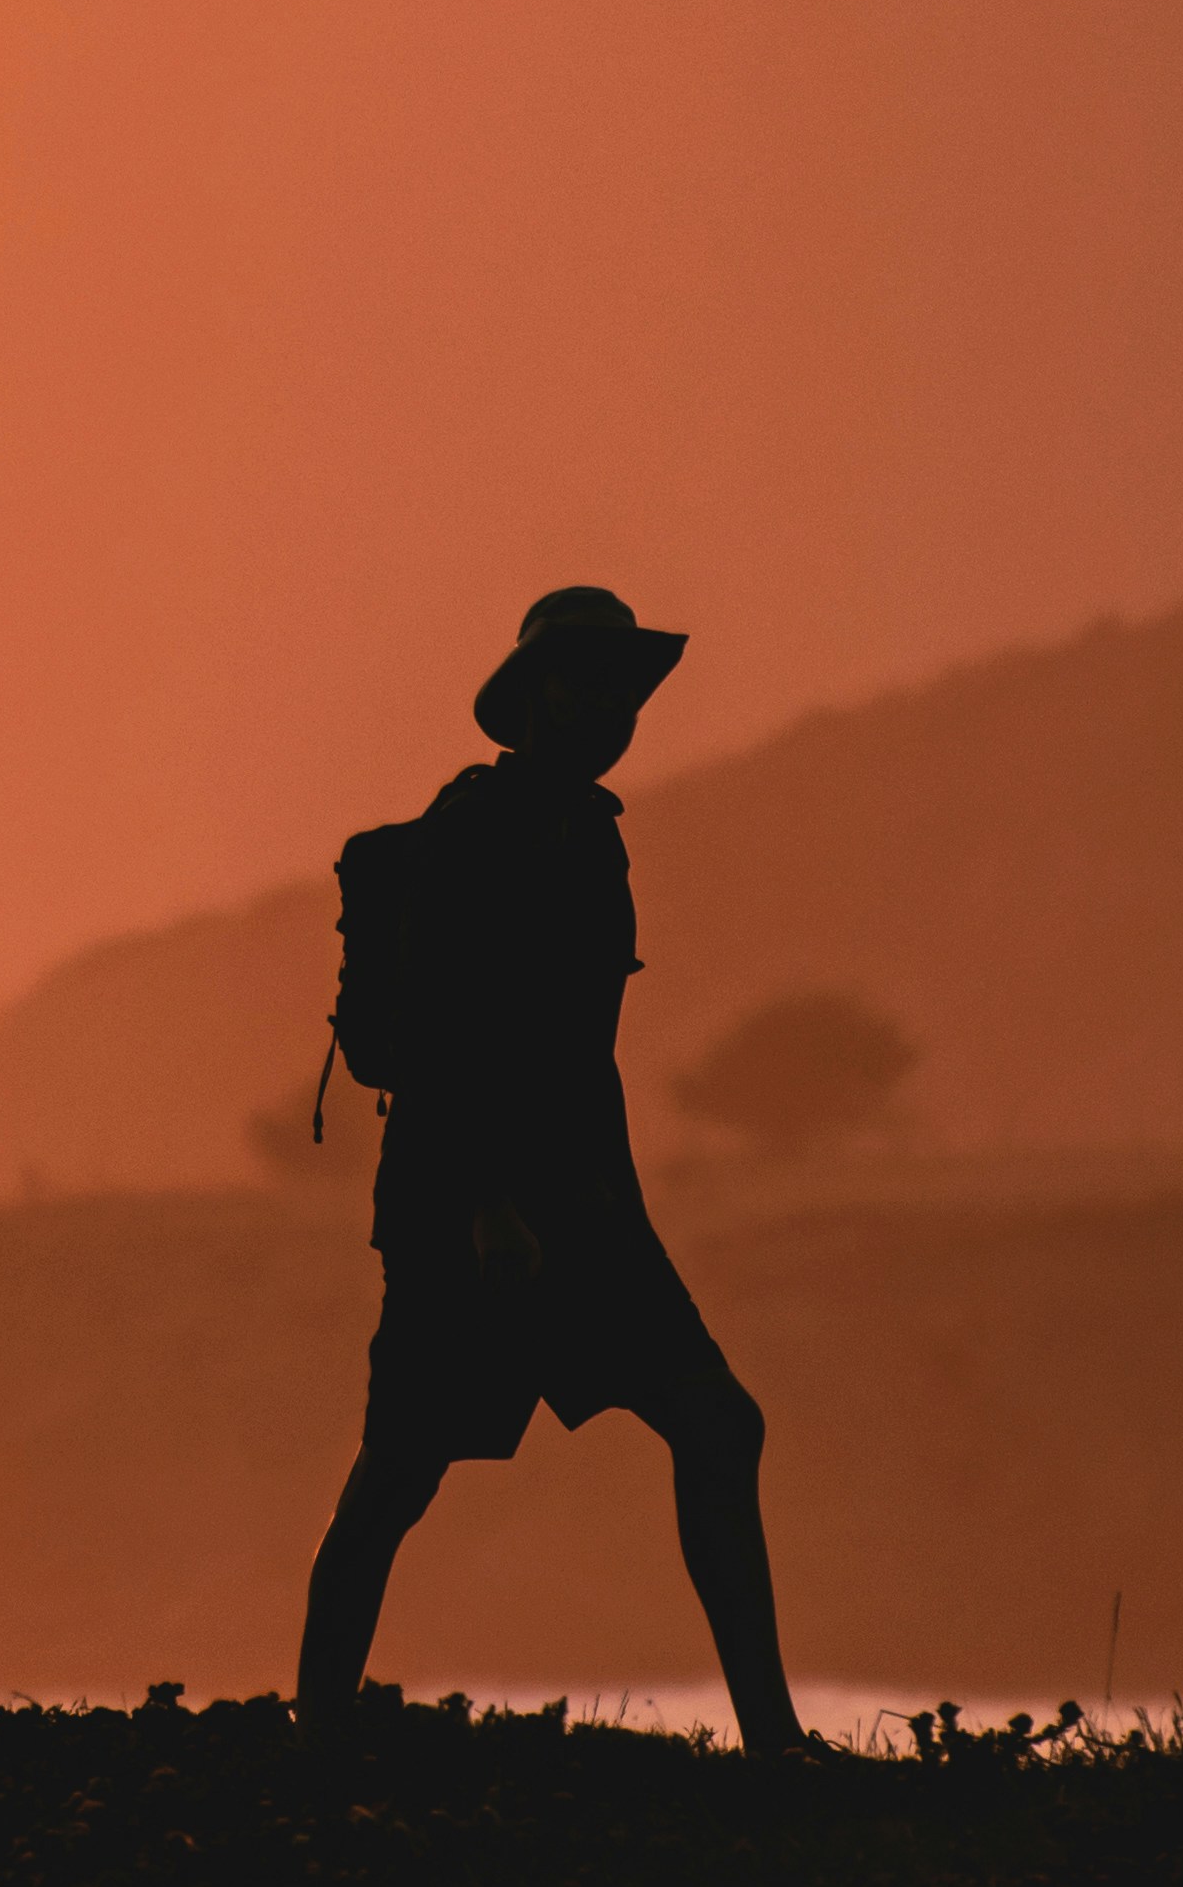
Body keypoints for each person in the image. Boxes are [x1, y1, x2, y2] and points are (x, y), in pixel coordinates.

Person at [295, 582, 810, 1754]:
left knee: (718, 1423)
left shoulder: (585, 831)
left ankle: (774, 1741)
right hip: (478, 1211)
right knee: (397, 1475)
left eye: (620, 687)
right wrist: (489, 1208)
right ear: (529, 699)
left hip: (581, 1210)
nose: (607, 705)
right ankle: (317, 1742)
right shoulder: (485, 831)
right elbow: (453, 1036)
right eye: (583, 680)